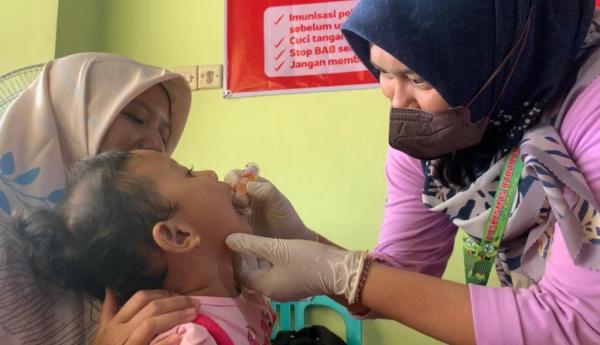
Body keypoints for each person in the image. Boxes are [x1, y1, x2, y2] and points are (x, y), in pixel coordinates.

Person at [224, 1, 600, 344]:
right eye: (383, 72)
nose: (398, 101)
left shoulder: (590, 106)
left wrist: (345, 273)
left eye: (418, 78)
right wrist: (310, 247)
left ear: (499, 54)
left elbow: (578, 324)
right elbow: (398, 282)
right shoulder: (431, 126)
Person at [0, 53, 196, 345]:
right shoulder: (7, 247)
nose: (155, 144)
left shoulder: (147, 241)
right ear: (66, 118)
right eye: (136, 117)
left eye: (165, 135)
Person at [8, 149, 275, 345]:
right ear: (178, 235)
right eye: (190, 173)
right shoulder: (188, 338)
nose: (212, 174)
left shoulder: (246, 288)